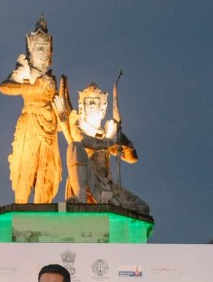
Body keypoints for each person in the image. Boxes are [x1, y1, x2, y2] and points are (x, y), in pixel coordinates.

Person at [59, 82, 149, 215]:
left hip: (107, 185)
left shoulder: (108, 132)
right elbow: (83, 140)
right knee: (75, 147)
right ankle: (80, 199)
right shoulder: (78, 124)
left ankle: (119, 224)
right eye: (88, 101)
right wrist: (109, 142)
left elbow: (132, 159)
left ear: (103, 108)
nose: (91, 104)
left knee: (142, 208)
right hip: (88, 178)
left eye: (95, 101)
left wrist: (126, 143)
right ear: (82, 106)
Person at [0, 15, 61, 204]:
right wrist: (31, 88)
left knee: (47, 172)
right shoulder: (26, 71)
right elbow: (4, 87)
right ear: (30, 49)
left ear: (50, 53)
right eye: (38, 47)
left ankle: (42, 209)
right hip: (30, 123)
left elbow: (63, 107)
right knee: (25, 167)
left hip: (50, 127)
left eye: (44, 48)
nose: (41, 52)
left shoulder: (52, 79)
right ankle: (20, 205)